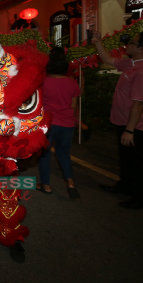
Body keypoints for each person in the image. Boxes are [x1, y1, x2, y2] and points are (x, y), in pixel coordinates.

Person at [94, 31, 143, 209]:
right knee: (126, 158)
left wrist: (130, 130)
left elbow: (138, 104)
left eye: (133, 42)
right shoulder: (134, 63)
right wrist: (97, 42)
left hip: (136, 125)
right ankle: (125, 185)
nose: (128, 45)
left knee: (140, 162)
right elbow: (109, 60)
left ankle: (141, 198)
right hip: (124, 120)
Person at [36, 48, 81, 199]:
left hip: (48, 123)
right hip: (68, 123)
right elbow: (73, 106)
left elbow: (38, 105)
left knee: (44, 154)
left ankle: (46, 185)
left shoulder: (44, 83)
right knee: (63, 153)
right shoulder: (73, 83)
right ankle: (71, 183)